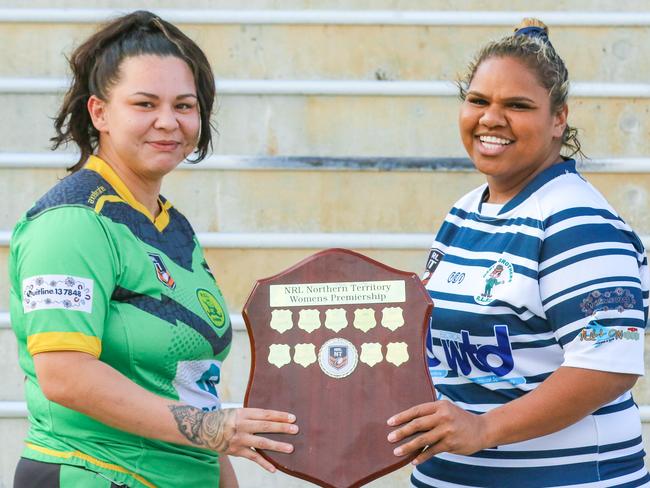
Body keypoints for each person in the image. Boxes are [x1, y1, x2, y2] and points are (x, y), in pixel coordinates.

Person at [9, 11, 298, 488]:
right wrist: (216, 429)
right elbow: (65, 374)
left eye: (184, 106)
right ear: (99, 112)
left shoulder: (171, 225)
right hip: (94, 473)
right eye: (144, 104)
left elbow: (192, 387)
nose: (168, 122)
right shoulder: (71, 222)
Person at [387, 18, 650, 487]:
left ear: (558, 118)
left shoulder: (577, 221)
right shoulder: (465, 212)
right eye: (478, 101)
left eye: (518, 105)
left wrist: (484, 429)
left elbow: (608, 365)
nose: (491, 118)